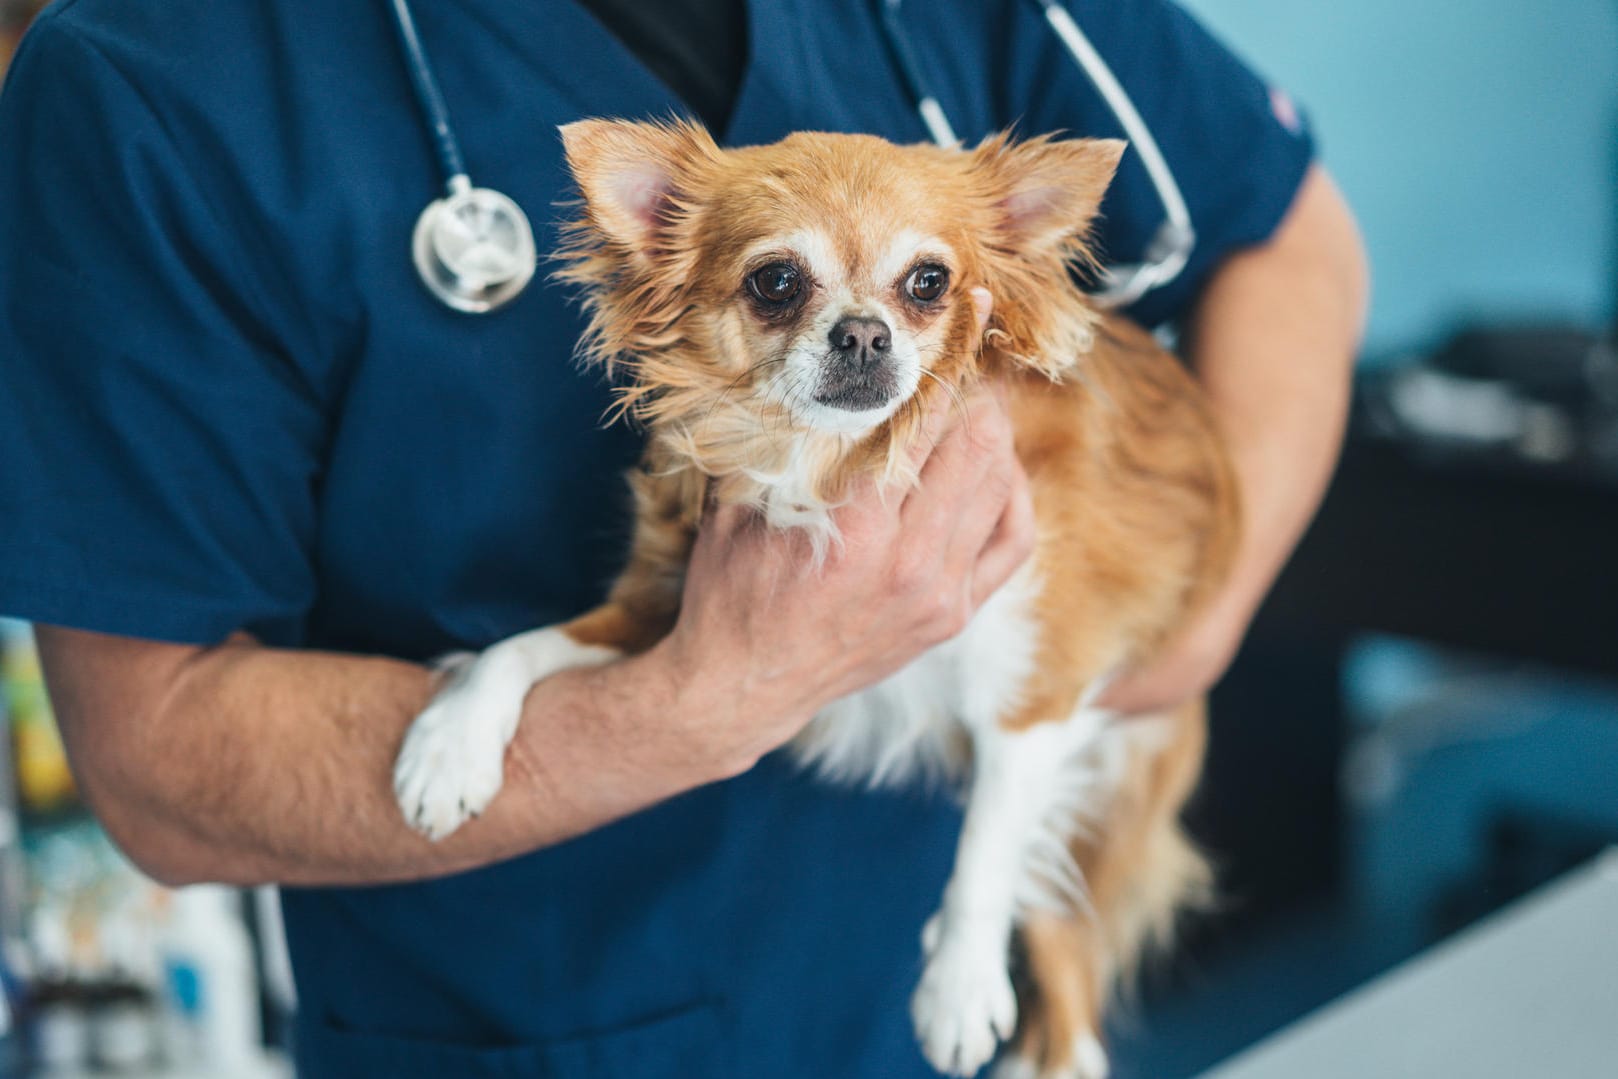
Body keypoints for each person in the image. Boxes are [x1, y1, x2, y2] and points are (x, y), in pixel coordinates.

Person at [0, 0, 1366, 1075]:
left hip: (960, 988)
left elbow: (1290, 235)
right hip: (542, 1028)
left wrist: (1176, 621)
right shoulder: (150, 81)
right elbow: (157, 757)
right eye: (778, 285)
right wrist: (707, 698)